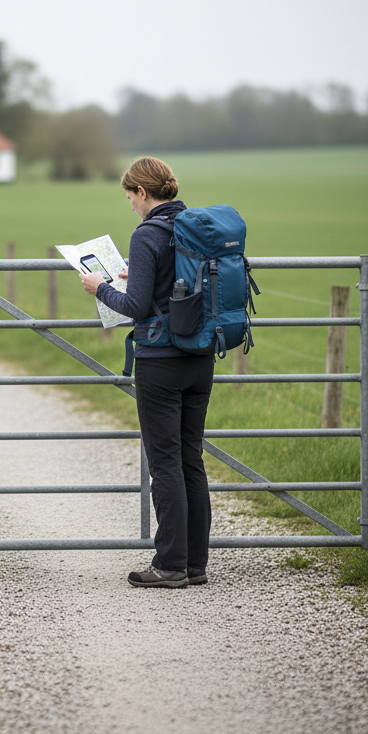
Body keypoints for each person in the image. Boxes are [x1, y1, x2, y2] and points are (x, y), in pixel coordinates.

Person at [79, 156, 213, 589]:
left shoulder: (147, 234)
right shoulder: (196, 227)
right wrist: (135, 277)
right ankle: (194, 564)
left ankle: (169, 565)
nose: (130, 206)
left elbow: (135, 307)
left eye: (129, 196)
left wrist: (100, 287)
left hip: (160, 361)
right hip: (201, 357)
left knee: (166, 463)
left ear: (141, 192)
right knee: (191, 459)